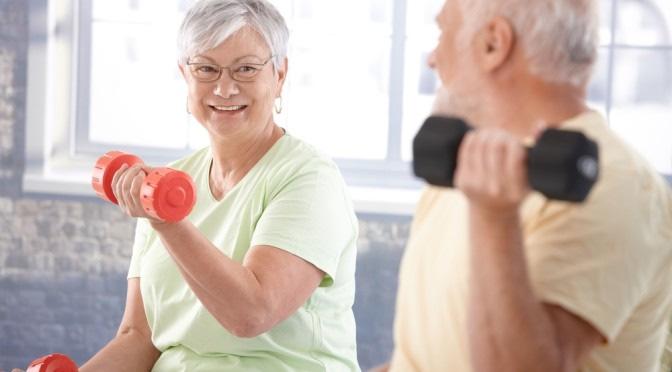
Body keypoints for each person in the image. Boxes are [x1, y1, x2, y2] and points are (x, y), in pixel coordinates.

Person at [21, 0, 360, 371]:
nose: (225, 88)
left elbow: (251, 314)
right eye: (206, 69)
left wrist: (168, 222)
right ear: (185, 74)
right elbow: (138, 337)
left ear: (279, 75)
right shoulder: (169, 182)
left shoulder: (308, 179)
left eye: (246, 69)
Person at [374, 0, 672, 371]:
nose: (432, 59)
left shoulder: (615, 184)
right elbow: (420, 357)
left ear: (493, 45)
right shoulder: (467, 167)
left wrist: (494, 217)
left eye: (442, 33)